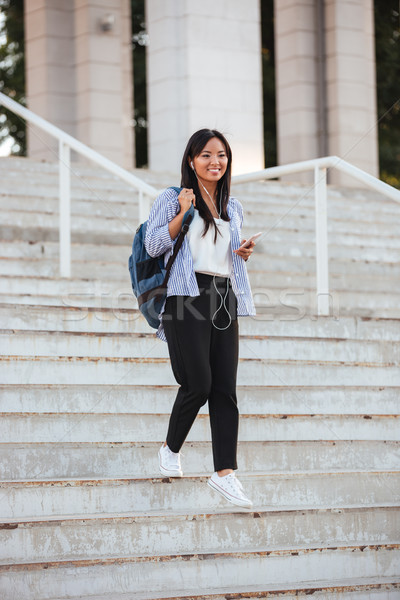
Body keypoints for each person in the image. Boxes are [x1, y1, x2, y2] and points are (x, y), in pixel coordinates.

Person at [144, 128, 256, 508]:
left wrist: (240, 252)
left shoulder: (232, 207)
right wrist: (182, 212)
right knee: (199, 383)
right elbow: (154, 244)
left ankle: (225, 473)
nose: (215, 162)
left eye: (221, 155)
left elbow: (222, 254)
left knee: (225, 387)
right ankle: (170, 449)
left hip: (224, 296)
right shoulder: (172, 198)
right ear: (192, 160)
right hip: (186, 296)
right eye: (206, 155)